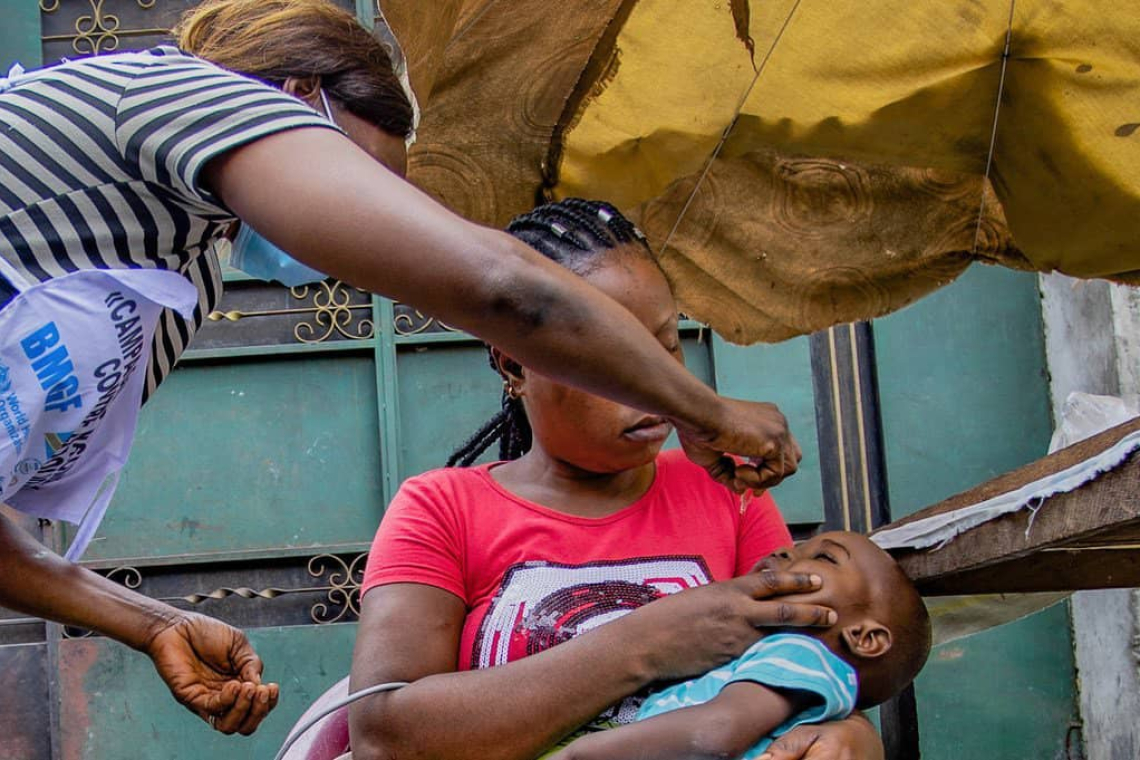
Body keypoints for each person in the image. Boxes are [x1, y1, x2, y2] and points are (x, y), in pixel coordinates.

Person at [0, 0, 803, 738]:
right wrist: (706, 410)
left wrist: (153, 623)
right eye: (358, 177)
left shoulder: (180, 273)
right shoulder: (169, 89)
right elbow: (502, 287)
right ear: (295, 94)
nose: (362, 225)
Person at [348, 200, 885, 760]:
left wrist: (851, 737)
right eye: (614, 356)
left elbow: (811, 667)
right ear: (513, 363)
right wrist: (647, 643)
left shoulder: (727, 495)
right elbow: (385, 738)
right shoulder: (442, 507)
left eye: (666, 344)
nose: (654, 382)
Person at [546, 531, 932, 760]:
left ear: (864, 637)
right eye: (798, 547)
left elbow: (716, 732)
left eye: (824, 557)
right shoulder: (768, 661)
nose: (785, 551)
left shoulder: (800, 653)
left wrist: (577, 753)